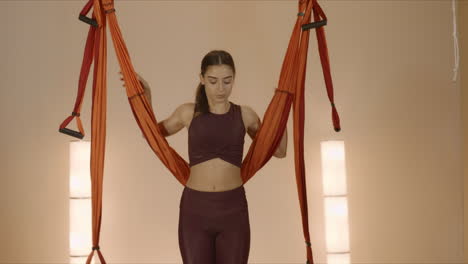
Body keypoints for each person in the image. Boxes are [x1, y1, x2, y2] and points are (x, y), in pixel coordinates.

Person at [119, 50, 288, 264]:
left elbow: (280, 151)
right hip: (195, 210)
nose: (220, 89)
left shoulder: (245, 115)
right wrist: (147, 97)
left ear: (234, 79)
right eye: (213, 81)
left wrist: (282, 109)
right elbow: (151, 135)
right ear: (201, 79)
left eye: (227, 81)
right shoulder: (188, 113)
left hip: (233, 210)